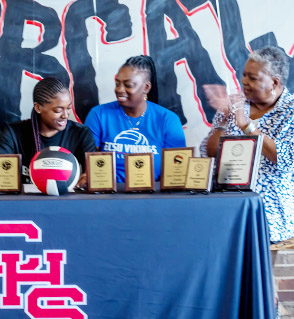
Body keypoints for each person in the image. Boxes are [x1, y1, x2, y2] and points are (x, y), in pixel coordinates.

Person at [201, 46, 294, 243]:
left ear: (274, 82)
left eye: (253, 78)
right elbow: (209, 153)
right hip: (225, 209)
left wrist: (245, 125)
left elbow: (286, 159)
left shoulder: (290, 111)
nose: (244, 81)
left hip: (269, 215)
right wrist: (224, 120)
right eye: (244, 75)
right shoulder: (235, 103)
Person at [84, 55, 186, 182]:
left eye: (128, 85)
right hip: (108, 195)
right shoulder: (99, 114)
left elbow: (176, 170)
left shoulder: (168, 120)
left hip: (153, 196)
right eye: (117, 83)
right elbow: (92, 164)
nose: (120, 90)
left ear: (146, 87)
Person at [0, 77, 96, 186]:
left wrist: (89, 178)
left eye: (69, 108)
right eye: (58, 110)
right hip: (24, 202)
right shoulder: (13, 133)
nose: (65, 115)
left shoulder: (81, 133)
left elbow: (92, 171)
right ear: (38, 108)